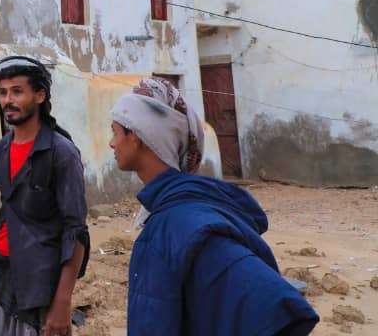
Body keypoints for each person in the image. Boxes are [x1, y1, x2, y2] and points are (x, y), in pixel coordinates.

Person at [109, 77, 319, 336]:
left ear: (136, 136)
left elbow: (277, 307)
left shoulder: (174, 225)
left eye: (115, 132)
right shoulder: (186, 212)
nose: (112, 143)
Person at [0, 56, 89, 336]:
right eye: (3, 92)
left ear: (40, 95)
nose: (8, 100)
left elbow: (76, 231)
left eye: (17, 91)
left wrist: (63, 301)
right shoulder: (3, 149)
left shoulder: (61, 153)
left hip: (39, 285)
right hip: (0, 275)